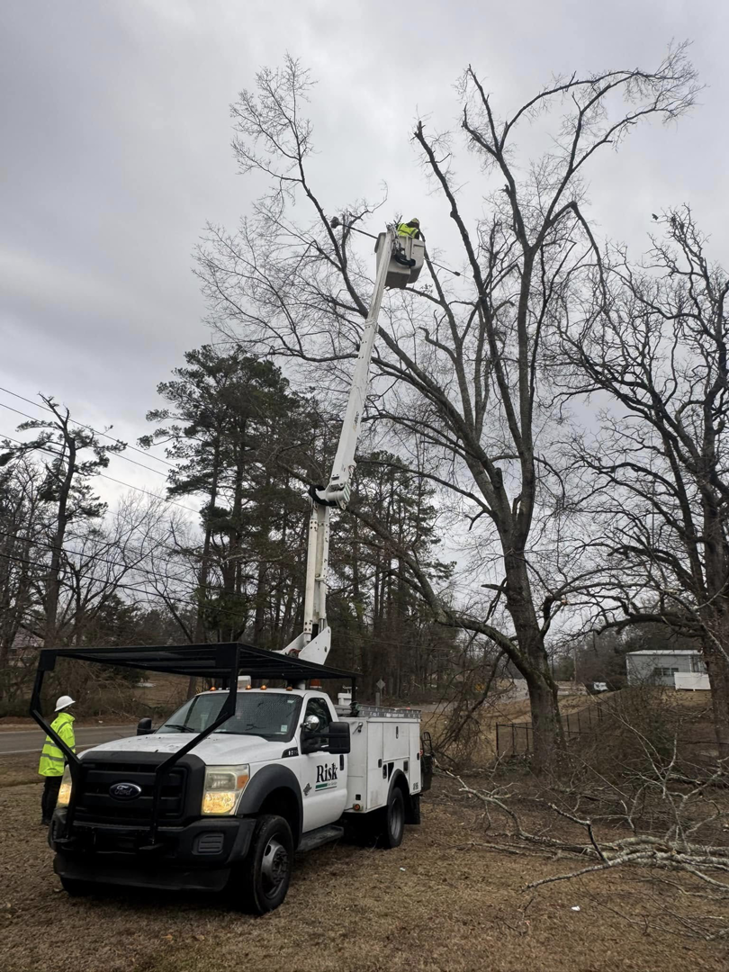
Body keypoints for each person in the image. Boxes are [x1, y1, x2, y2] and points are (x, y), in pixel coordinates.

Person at [39, 695, 76, 825]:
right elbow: (69, 749)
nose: (74, 709)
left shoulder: (56, 722)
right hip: (57, 764)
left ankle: (45, 816)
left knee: (48, 789)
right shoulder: (65, 725)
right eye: (71, 707)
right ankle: (48, 817)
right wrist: (72, 762)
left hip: (49, 762)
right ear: (67, 708)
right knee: (54, 791)